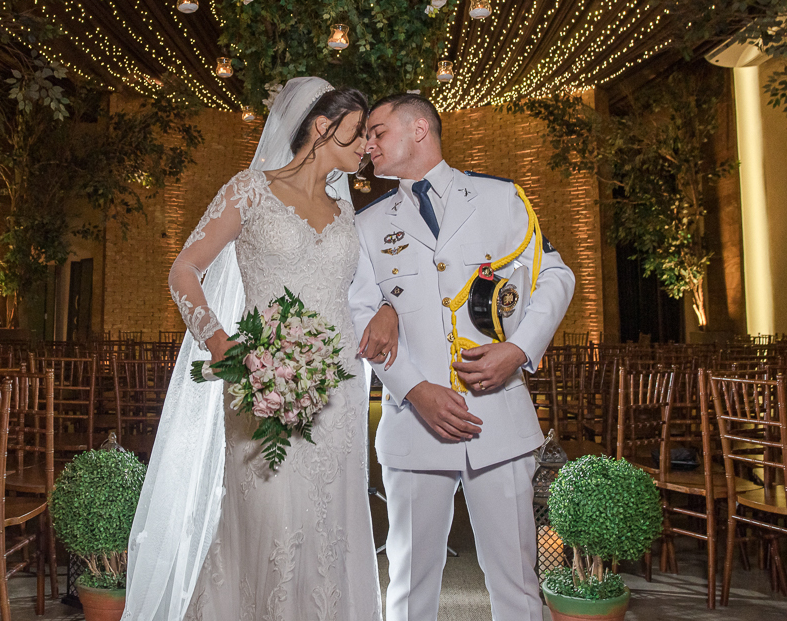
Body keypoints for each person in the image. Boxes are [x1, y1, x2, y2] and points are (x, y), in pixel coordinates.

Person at [122, 77, 396, 621]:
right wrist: (222, 344)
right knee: (270, 521)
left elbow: (372, 289)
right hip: (263, 379)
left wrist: (388, 308)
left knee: (329, 523)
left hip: (337, 390)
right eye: (359, 131)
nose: (368, 145)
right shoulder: (249, 190)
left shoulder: (348, 212)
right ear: (321, 127)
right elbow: (184, 270)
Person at [348, 93, 576, 621]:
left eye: (378, 132)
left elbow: (555, 276)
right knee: (407, 586)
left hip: (496, 416)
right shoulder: (368, 223)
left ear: (419, 129)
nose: (368, 144)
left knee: (517, 584)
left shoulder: (500, 198)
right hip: (413, 424)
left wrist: (518, 350)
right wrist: (413, 389)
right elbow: (359, 314)